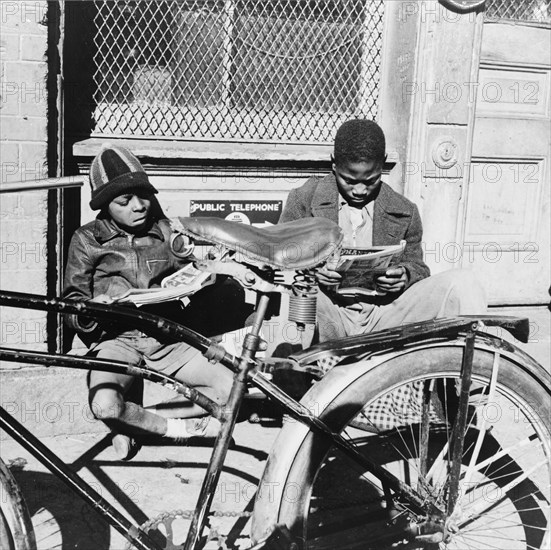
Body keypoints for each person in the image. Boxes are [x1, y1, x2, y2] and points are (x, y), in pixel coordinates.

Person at [63, 144, 233, 460]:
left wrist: (208, 272)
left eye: (144, 196)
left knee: (229, 391)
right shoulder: (87, 240)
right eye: (124, 201)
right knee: (104, 404)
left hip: (168, 337)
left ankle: (133, 423)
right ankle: (175, 430)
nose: (139, 206)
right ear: (104, 205)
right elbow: (71, 306)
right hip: (118, 341)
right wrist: (92, 310)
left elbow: (192, 276)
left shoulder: (168, 231)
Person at [280, 119, 486, 343]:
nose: (359, 190)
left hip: (385, 316)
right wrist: (315, 272)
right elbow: (278, 259)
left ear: (383, 165)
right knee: (295, 294)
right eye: (349, 180)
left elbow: (418, 267)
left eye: (370, 181)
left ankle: (462, 371)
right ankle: (300, 375)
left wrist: (404, 276)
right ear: (334, 164)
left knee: (464, 283)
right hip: (328, 313)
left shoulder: (405, 211)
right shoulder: (303, 200)